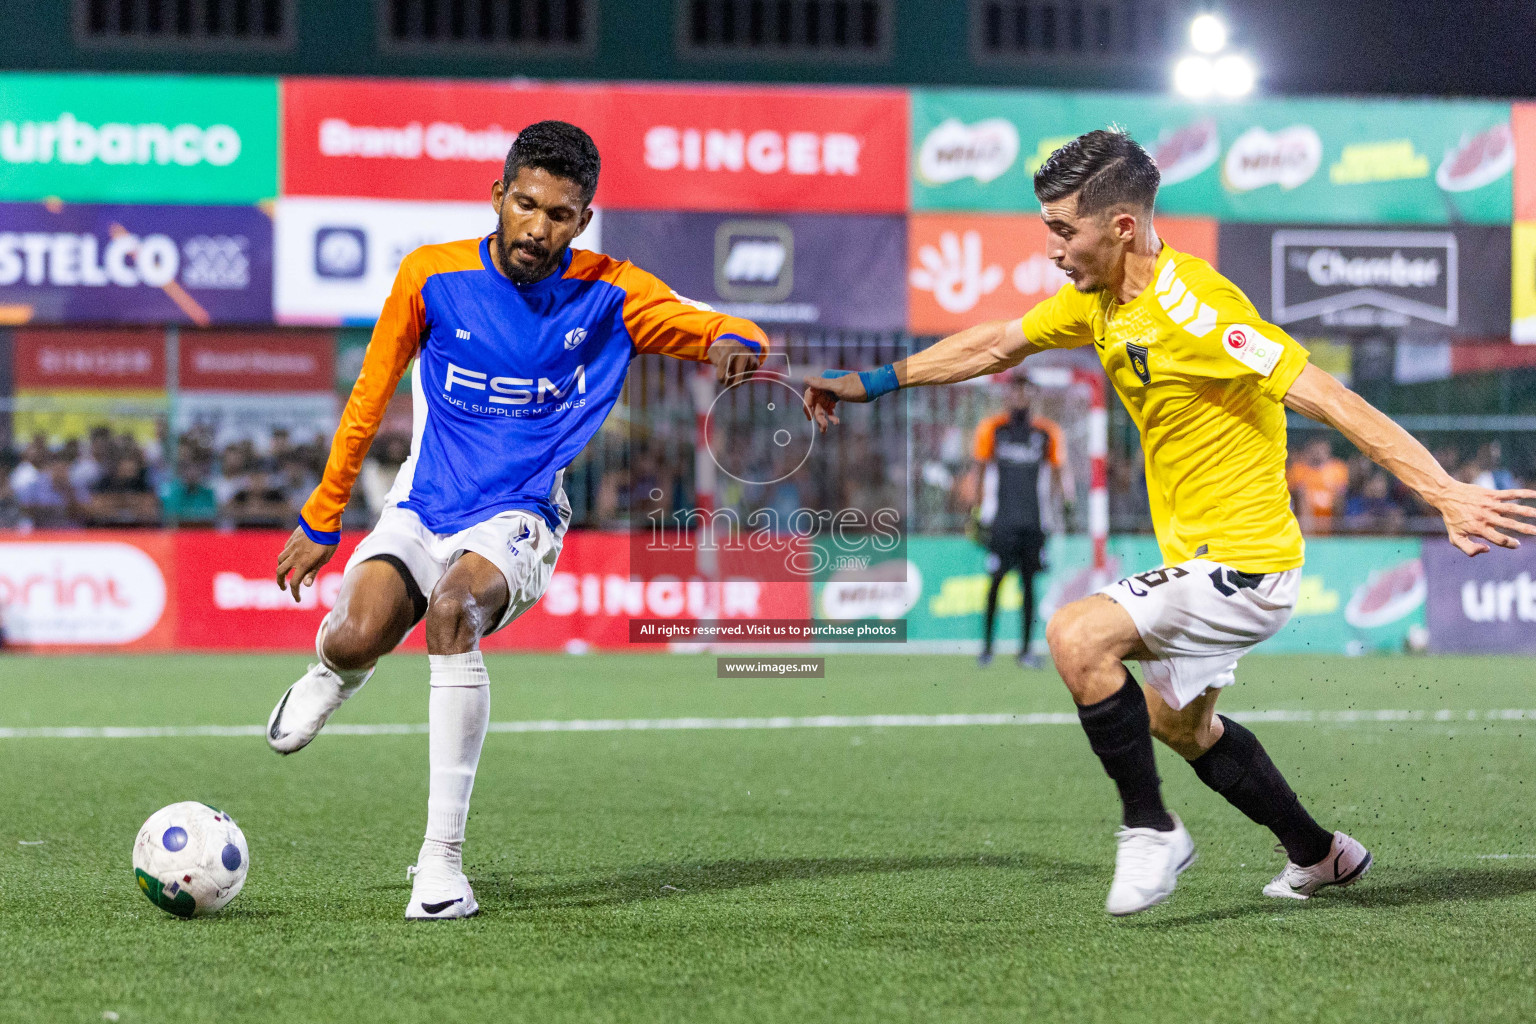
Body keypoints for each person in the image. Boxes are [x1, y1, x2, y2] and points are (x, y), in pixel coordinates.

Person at [803, 128, 1536, 917]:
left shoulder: (1197, 307)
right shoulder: (1100, 301)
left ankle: (1151, 830)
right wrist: (871, 382)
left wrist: (1443, 490)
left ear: (1120, 227)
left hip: (1247, 565)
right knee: (1178, 728)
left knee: (1077, 638)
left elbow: (1328, 396)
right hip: (1199, 560)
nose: (1052, 248)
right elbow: (997, 344)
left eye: (1061, 230)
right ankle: (1321, 854)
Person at [267, 121, 765, 920]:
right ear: (498, 197)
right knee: (358, 632)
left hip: (521, 514)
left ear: (583, 220)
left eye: (560, 214)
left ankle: (440, 864)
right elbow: (368, 396)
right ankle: (335, 672)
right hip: (421, 503)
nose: (538, 227)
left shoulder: (611, 292)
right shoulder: (432, 276)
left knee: (454, 610)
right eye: (525, 205)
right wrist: (323, 518)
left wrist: (740, 339)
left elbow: (710, 323)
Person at [968, 374, 1067, 669]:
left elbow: (1056, 476)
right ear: (1007, 395)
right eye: (1015, 390)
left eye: (1026, 390)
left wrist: (1058, 512)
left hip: (1033, 522)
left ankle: (1025, 650)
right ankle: (986, 648)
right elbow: (981, 471)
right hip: (1002, 522)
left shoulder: (1047, 432)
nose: (1020, 396)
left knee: (1029, 586)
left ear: (1033, 395)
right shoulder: (993, 429)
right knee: (995, 583)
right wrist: (976, 511)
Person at [1288, 437, 1349, 534]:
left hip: (1331, 514)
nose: (1318, 451)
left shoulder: (1338, 468)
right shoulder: (1299, 469)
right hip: (1307, 518)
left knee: (1340, 494)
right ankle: (1309, 536)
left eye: (1321, 448)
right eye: (1315, 448)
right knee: (1301, 493)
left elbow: (1342, 492)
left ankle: (1337, 533)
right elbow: (1294, 496)